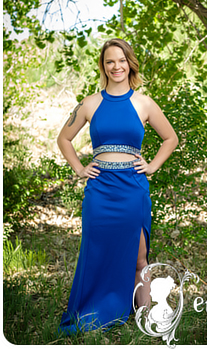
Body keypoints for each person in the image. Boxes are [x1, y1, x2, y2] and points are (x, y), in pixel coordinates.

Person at [57, 38, 178, 334]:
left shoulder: (143, 102)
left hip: (132, 189)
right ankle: (96, 310)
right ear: (103, 66)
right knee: (95, 252)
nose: (116, 66)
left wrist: (152, 166)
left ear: (129, 63)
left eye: (121, 60)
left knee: (140, 258)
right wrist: (80, 168)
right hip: (100, 190)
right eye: (110, 61)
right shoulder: (90, 103)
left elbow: (170, 138)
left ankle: (147, 317)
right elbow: (63, 139)